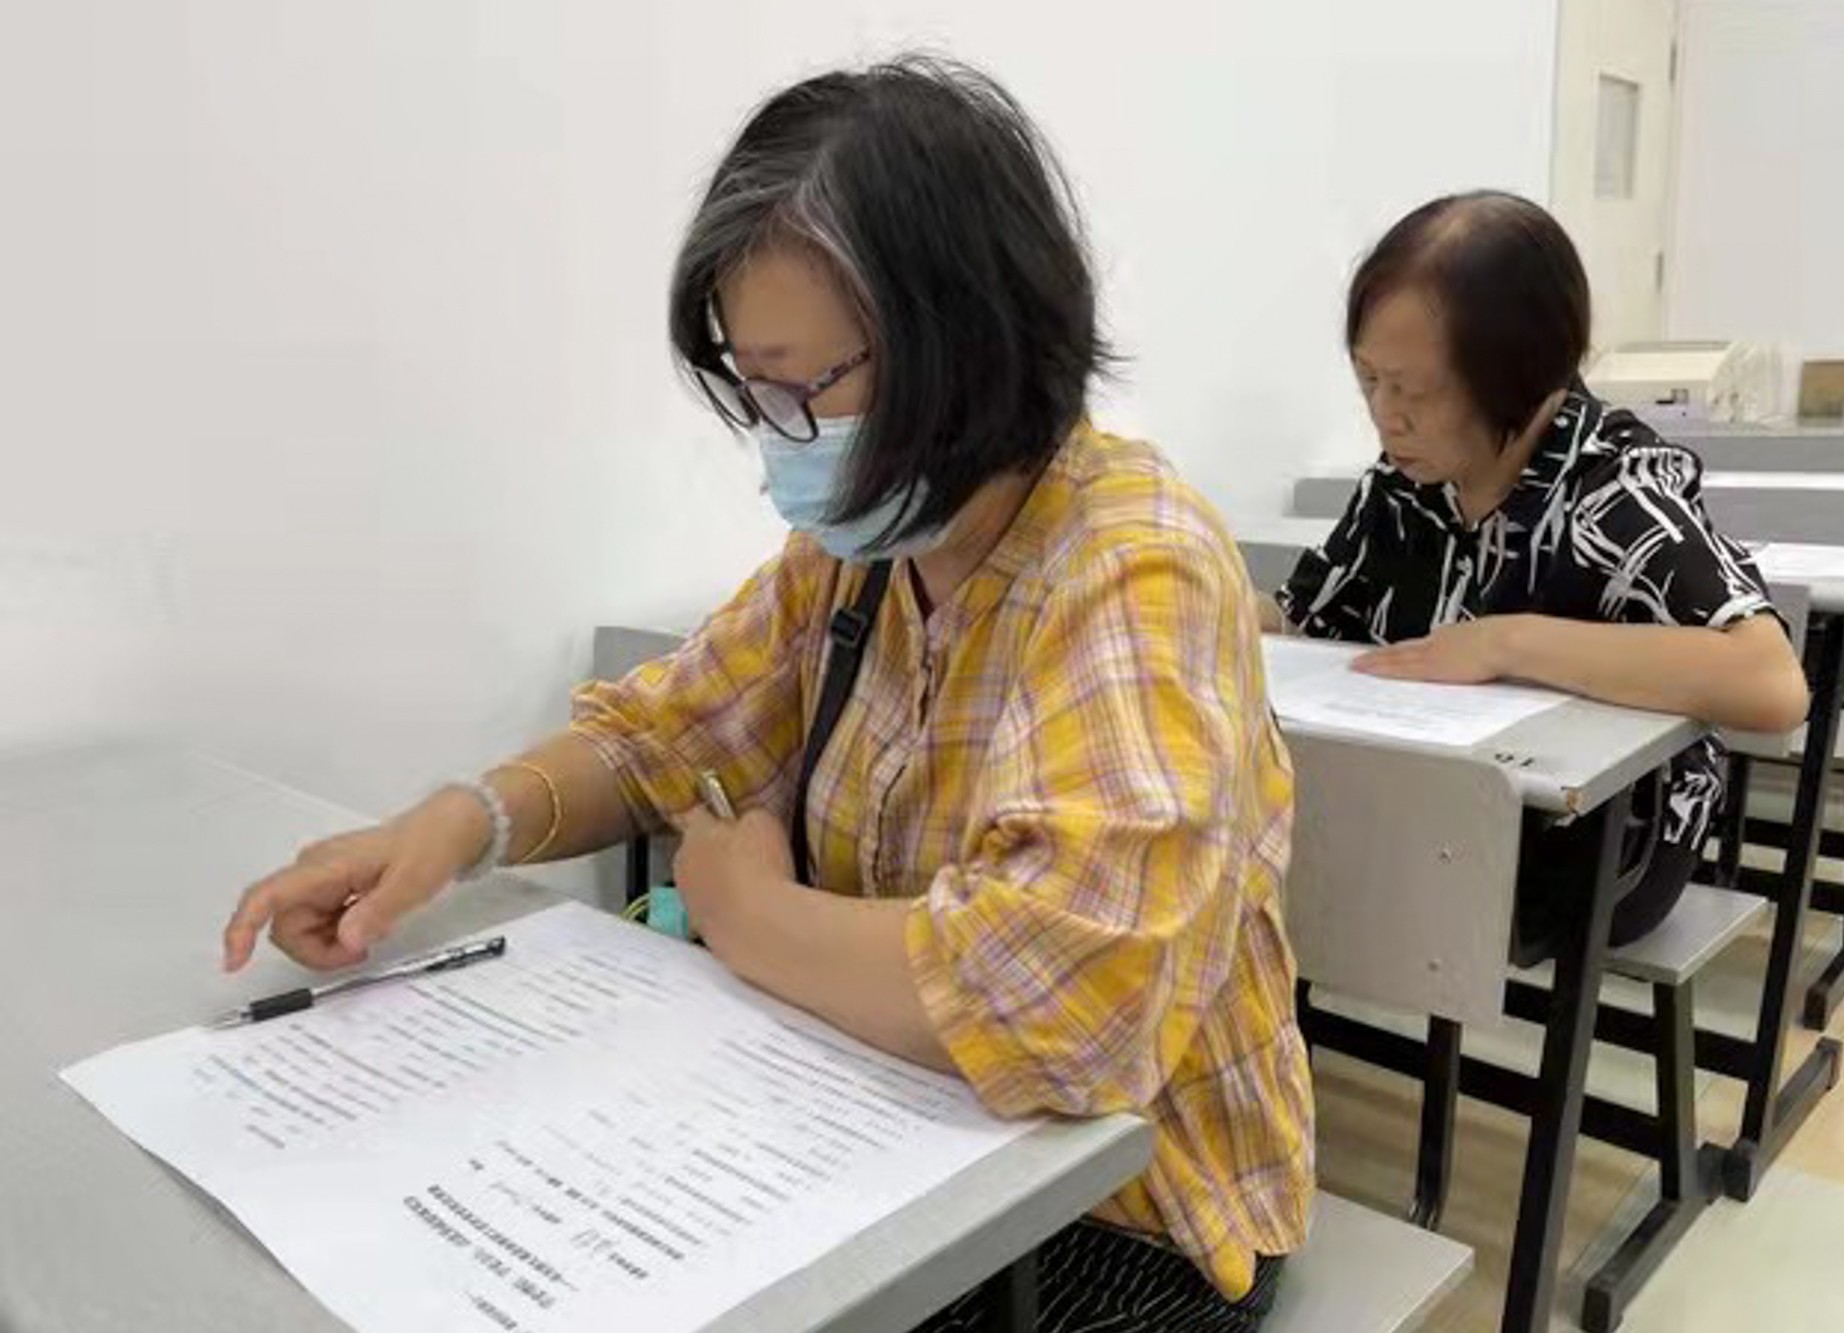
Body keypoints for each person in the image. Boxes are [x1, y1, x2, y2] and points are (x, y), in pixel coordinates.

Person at [222, 58, 1311, 1331]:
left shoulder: (1128, 565)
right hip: (878, 1120)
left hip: (1114, 1214)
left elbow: (1065, 1005)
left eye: (804, 388)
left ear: (960, 342)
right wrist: (460, 824)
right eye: (754, 390)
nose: (779, 434)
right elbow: (661, 733)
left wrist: (743, 910)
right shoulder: (860, 557)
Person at [1271, 191, 1808, 950]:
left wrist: (1506, 642)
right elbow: (1303, 617)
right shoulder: (1403, 486)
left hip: (1607, 842)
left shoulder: (1614, 487)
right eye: (1369, 381)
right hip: (1436, 796)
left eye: (1414, 389)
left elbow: (1772, 683)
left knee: (1316, 868)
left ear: (1519, 377)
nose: (1386, 415)